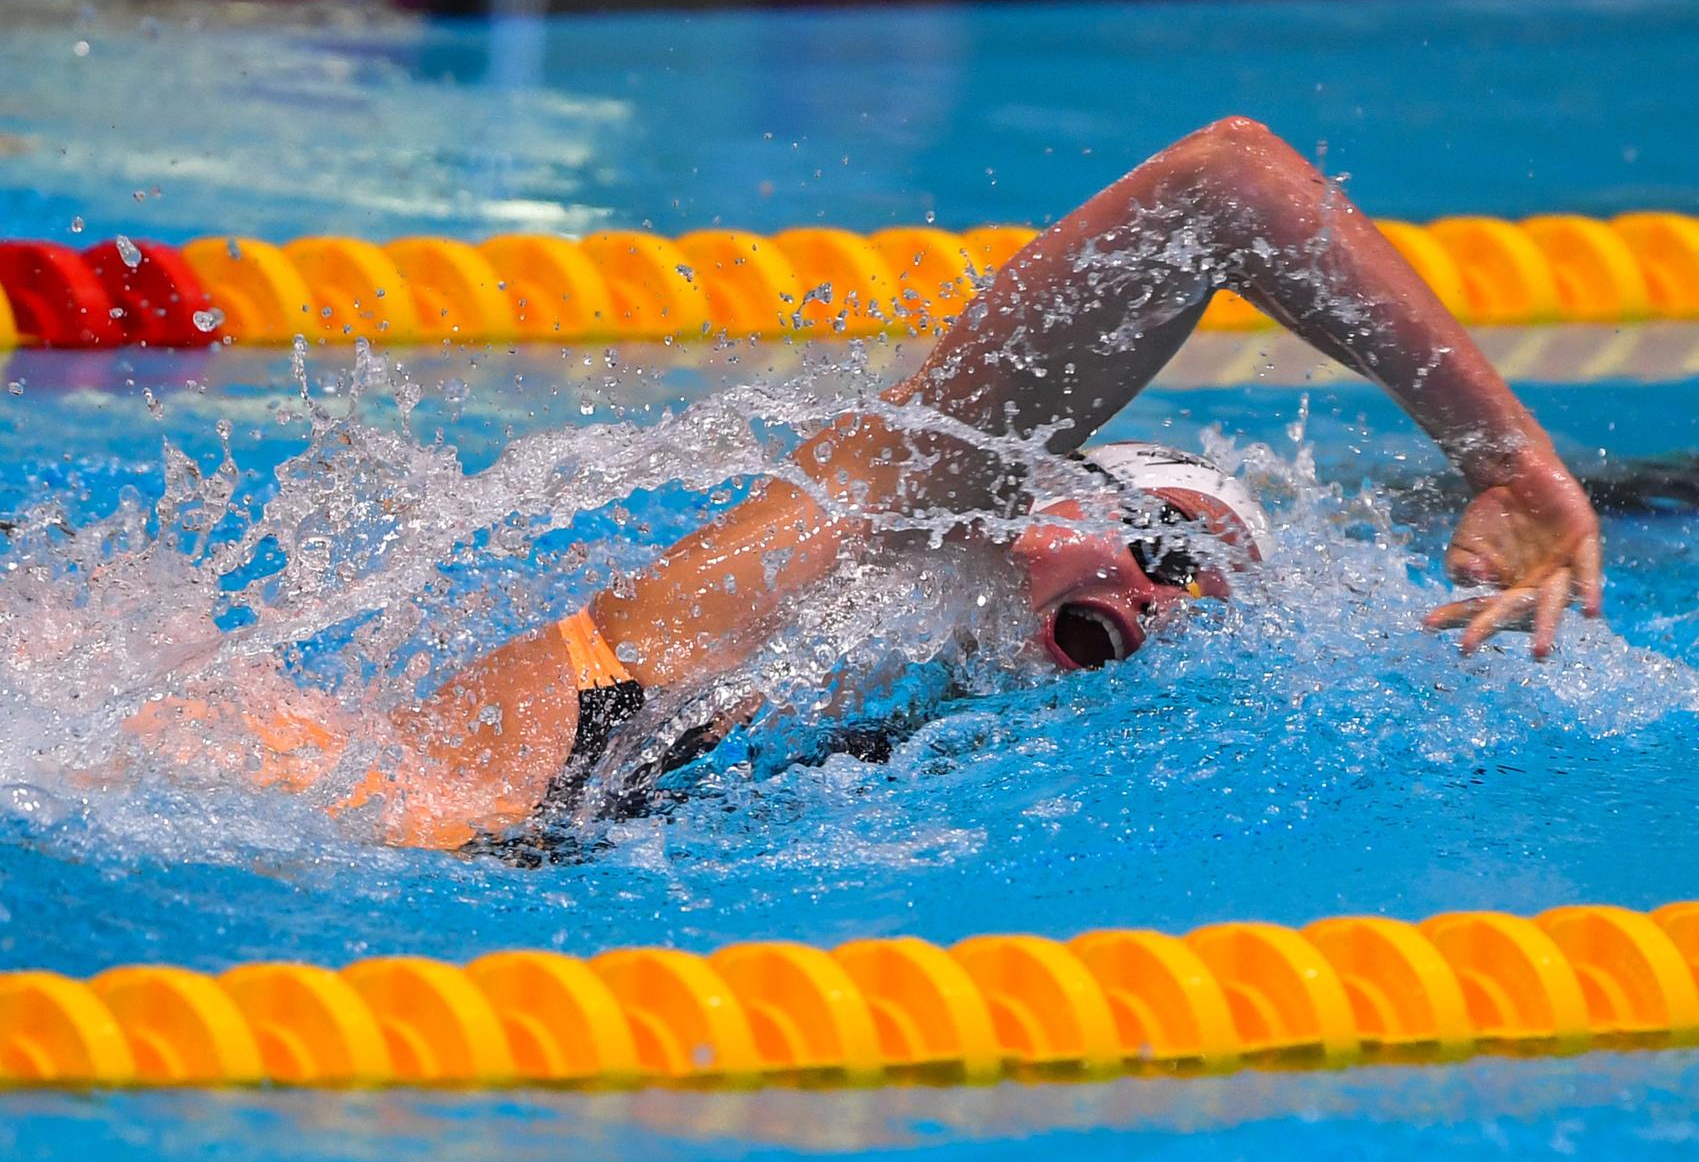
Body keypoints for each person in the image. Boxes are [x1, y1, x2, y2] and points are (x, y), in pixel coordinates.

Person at [138, 117, 1604, 852]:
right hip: (233, 788)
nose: (1159, 599)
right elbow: (1226, 187)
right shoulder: (881, 505)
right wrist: (1505, 459)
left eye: (1198, 597)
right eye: (1161, 536)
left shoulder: (954, 723)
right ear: (1048, 492)